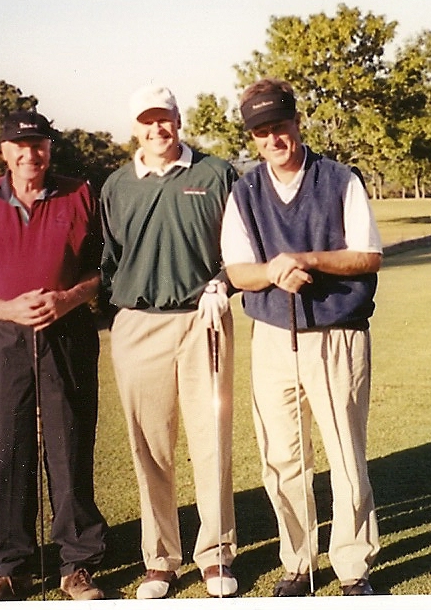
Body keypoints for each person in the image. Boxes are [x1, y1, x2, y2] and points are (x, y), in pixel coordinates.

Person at [221, 77, 383, 597]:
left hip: (336, 334)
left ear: (297, 122)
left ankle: (353, 566)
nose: (273, 139)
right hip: (272, 335)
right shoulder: (244, 190)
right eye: (261, 131)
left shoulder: (339, 179)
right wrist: (274, 270)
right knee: (282, 456)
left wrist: (307, 260)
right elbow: (238, 269)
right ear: (252, 137)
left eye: (280, 126)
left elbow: (367, 255)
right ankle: (298, 562)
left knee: (344, 453)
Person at [0, 110, 108, 602]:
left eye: (38, 144)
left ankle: (77, 564)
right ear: (3, 152)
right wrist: (5, 309)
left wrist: (67, 298)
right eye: (19, 146)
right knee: (7, 445)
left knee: (70, 443)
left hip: (67, 333)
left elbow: (103, 270)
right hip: (1, 338)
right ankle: (8, 566)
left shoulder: (79, 193)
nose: (30, 154)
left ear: (49, 148)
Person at [99, 86, 239, 599]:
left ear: (180, 121)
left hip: (205, 319)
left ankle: (216, 555)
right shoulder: (116, 185)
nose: (159, 129)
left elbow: (242, 244)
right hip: (139, 325)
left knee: (211, 439)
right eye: (149, 121)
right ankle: (159, 559)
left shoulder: (216, 173)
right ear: (136, 127)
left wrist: (224, 281)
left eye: (167, 119)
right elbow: (107, 258)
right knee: (150, 446)